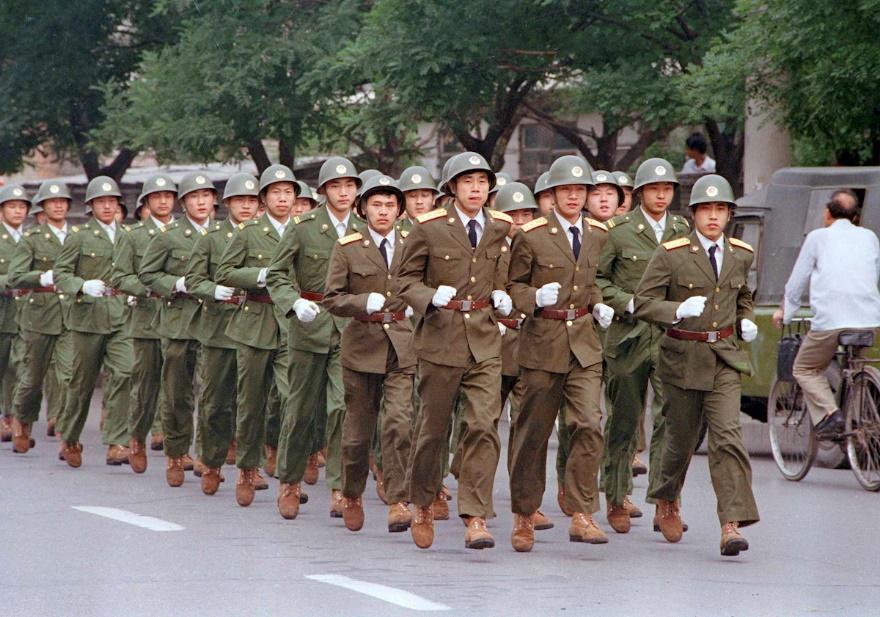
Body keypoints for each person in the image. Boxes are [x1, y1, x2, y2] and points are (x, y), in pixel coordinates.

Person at [634, 173, 759, 557]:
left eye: (720, 209)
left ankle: (731, 524)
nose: (713, 216)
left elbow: (742, 295)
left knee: (728, 438)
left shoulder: (741, 254)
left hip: (724, 357)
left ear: (730, 214)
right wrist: (675, 310)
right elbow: (642, 302)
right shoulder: (672, 254)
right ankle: (667, 498)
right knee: (680, 441)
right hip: (683, 358)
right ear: (694, 214)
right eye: (706, 209)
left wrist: (745, 319)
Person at [395, 151, 514, 550]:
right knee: (433, 429)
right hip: (440, 338)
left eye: (482, 182)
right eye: (467, 182)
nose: (475, 189)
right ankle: (423, 502)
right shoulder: (429, 227)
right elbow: (404, 281)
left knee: (483, 425)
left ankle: (476, 516)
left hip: (484, 338)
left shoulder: (499, 226)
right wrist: (429, 296)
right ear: (451, 187)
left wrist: (503, 293)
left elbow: (504, 273)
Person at [506, 155, 614, 552]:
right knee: (533, 433)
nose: (573, 196)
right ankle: (524, 513)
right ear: (551, 194)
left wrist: (598, 304)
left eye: (580, 189)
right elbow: (513, 286)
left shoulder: (598, 233)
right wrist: (534, 297)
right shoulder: (532, 235)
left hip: (583, 343)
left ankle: (583, 512)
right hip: (542, 343)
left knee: (588, 423)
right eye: (566, 189)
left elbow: (594, 280)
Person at [265, 156, 363, 520]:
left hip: (349, 328)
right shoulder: (303, 226)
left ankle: (339, 486)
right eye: (336, 186)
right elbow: (277, 274)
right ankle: (290, 481)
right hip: (309, 324)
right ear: (323, 191)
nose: (343, 192)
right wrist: (293, 302)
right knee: (300, 409)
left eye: (349, 185)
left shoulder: (364, 226)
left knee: (341, 408)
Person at [597, 158, 691, 534]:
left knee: (672, 420)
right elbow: (598, 280)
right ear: (639, 193)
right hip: (628, 335)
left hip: (670, 336)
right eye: (654, 188)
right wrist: (627, 302)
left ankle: (667, 503)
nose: (661, 195)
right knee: (624, 419)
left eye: (667, 188)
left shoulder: (682, 229)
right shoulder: (619, 232)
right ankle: (617, 495)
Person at [323, 174, 416, 533]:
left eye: (390, 204)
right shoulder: (348, 247)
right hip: (362, 346)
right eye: (376, 204)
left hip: (402, 345)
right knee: (358, 433)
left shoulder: (412, 242)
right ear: (363, 209)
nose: (384, 211)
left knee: (399, 424)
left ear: (400, 210)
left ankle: (398, 499)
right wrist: (362, 301)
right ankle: (352, 493)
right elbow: (333, 298)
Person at [215, 165, 297, 504]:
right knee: (251, 403)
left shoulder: (303, 230)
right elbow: (224, 272)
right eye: (276, 192)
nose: (283, 198)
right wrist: (260, 275)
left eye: (288, 192)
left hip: (292, 323)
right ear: (264, 198)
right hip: (255, 323)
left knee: (293, 400)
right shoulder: (249, 232)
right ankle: (248, 467)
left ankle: (290, 477)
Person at [773, 189, 880, 438]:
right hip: (869, 320)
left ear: (828, 213)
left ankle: (831, 414)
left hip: (831, 321)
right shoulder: (870, 237)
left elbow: (797, 282)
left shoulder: (817, 237)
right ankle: (857, 417)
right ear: (855, 217)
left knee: (805, 368)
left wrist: (785, 313)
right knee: (854, 364)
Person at [184, 172, 261, 496]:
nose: (246, 206)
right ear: (227, 203)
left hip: (256, 328)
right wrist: (214, 290)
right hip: (219, 329)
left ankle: (249, 467)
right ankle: (212, 461)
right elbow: (193, 280)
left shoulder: (266, 235)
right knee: (216, 402)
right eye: (240, 200)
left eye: (252, 200)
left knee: (253, 401)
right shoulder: (212, 237)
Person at [138, 172, 213, 486]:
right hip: (179, 321)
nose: (201, 202)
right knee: (177, 393)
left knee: (212, 392)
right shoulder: (169, 236)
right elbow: (147, 273)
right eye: (194, 196)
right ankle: (176, 452)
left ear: (214, 200)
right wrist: (175, 283)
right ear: (183, 202)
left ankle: (207, 455)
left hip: (213, 322)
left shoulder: (223, 233)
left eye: (205, 195)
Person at [54, 176, 132, 467]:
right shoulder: (79, 236)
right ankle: (70, 436)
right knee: (82, 383)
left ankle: (116, 441)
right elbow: (61, 274)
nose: (107, 206)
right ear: (91, 206)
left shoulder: (127, 235)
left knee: (125, 372)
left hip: (120, 315)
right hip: (87, 318)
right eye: (101, 202)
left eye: (112, 201)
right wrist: (82, 285)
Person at [111, 174, 177, 473]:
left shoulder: (185, 233)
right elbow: (120, 276)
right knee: (146, 386)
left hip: (180, 318)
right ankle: (137, 437)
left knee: (178, 387)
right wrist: (147, 288)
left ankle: (177, 448)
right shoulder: (133, 235)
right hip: (147, 318)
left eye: (168, 195)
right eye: (157, 196)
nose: (163, 201)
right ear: (146, 202)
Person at [9, 181, 73, 453]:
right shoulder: (32, 238)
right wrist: (42, 277)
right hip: (39, 315)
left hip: (71, 314)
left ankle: (68, 436)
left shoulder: (78, 236)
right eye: (52, 201)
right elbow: (15, 276)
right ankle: (22, 418)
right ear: (43, 207)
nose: (58, 205)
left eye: (62, 201)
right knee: (33, 378)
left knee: (69, 376)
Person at [0, 184, 30, 446]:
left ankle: (13, 417)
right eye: (12, 206)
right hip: (3, 310)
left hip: (27, 313)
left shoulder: (31, 238)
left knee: (19, 366)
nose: (18, 211)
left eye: (22, 207)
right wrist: (8, 283)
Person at [396, 166, 439, 233]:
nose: (419, 201)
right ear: (403, 201)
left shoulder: (444, 231)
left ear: (433, 199)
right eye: (413, 196)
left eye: (424, 195)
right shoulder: (394, 233)